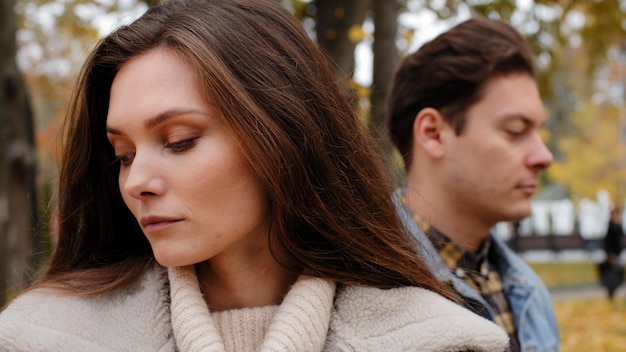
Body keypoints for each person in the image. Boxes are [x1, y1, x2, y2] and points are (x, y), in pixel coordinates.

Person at [0, 1, 509, 351]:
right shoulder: (42, 337)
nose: (136, 183)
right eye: (124, 154)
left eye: (179, 141)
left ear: (283, 137)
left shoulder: (440, 340)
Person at [386, 17, 559, 352]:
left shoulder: (528, 292)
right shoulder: (363, 291)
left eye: (538, 132)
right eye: (515, 131)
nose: (543, 156)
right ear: (433, 134)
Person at [599, 206, 624, 299]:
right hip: (612, 254)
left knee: (617, 273)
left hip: (617, 253)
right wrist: (610, 254)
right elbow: (608, 241)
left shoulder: (618, 225)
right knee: (612, 273)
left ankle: (613, 291)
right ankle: (611, 292)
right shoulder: (610, 226)